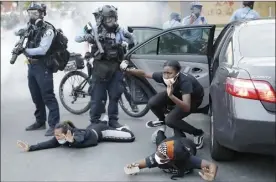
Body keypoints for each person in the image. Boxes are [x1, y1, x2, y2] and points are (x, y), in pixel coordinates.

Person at [120, 60, 204, 149]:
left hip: (192, 100)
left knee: (171, 120)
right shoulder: (163, 76)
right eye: (164, 73)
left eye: (169, 73)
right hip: (175, 93)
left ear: (177, 73)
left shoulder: (185, 82)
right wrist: (127, 70)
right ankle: (162, 120)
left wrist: (171, 96)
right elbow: (144, 74)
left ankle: (197, 133)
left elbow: (187, 107)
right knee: (152, 103)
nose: (166, 76)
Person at [75, 5, 135, 129]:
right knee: (98, 96)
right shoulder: (93, 28)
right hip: (100, 67)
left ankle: (113, 120)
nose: (110, 21)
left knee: (115, 95)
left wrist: (130, 38)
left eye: (112, 18)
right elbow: (77, 37)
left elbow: (131, 40)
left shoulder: (119, 30)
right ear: (102, 18)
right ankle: (94, 121)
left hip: (115, 67)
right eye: (108, 18)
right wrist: (86, 36)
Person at [12, 3, 60, 136]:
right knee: (36, 96)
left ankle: (55, 125)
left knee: (48, 96)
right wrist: (20, 33)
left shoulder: (48, 30)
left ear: (42, 14)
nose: (32, 16)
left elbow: (43, 50)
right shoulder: (30, 27)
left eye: (35, 13)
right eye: (30, 13)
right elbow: (17, 32)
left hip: (43, 65)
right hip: (31, 65)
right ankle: (40, 121)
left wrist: (24, 50)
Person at [124, 128, 218, 181]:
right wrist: (131, 166)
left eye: (162, 156)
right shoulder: (157, 157)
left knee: (180, 136)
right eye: (159, 154)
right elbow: (138, 164)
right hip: (167, 143)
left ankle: (177, 129)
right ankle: (160, 130)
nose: (158, 157)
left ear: (173, 159)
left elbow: (212, 165)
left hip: (185, 143)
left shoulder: (189, 160)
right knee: (160, 141)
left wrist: (211, 175)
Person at [17, 120, 135, 152]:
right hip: (90, 128)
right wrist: (30, 147)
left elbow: (80, 139)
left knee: (130, 137)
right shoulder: (59, 138)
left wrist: (72, 140)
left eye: (58, 135)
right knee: (98, 123)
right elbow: (47, 144)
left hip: (100, 134)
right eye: (55, 134)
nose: (56, 137)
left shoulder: (75, 134)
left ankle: (121, 128)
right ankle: (104, 121)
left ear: (66, 133)